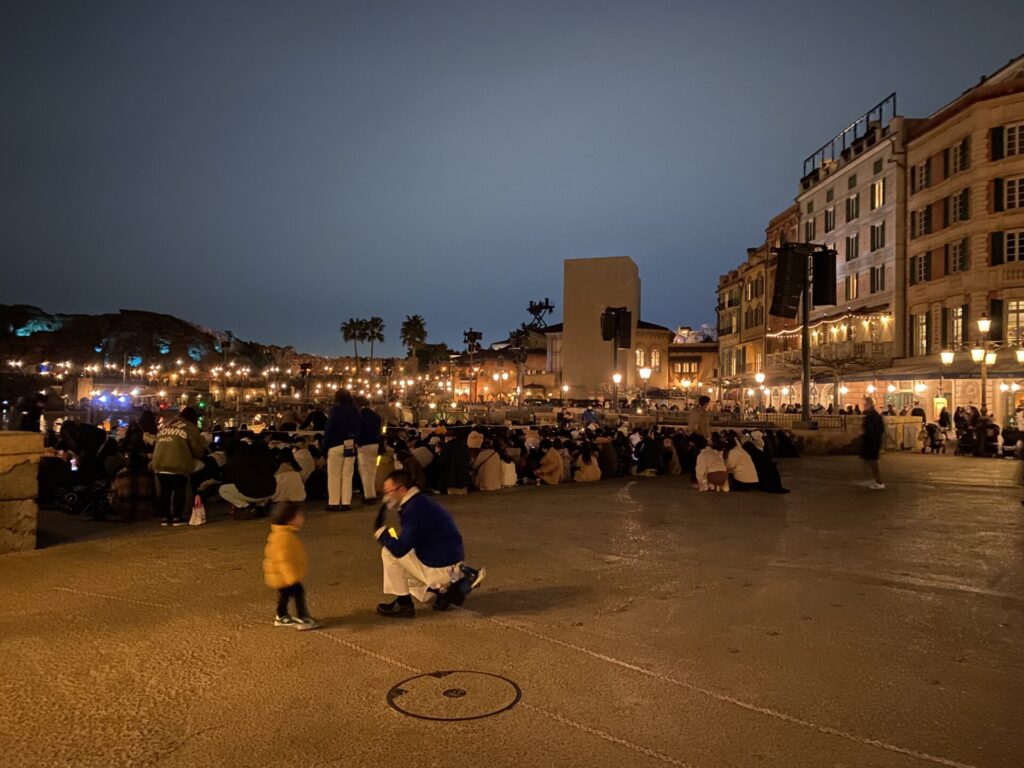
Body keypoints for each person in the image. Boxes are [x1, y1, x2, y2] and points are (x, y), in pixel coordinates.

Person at [373, 470, 486, 617]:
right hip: (451, 562)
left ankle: (404, 604)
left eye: (388, 492)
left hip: (440, 568)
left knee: (388, 553)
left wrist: (381, 533)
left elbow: (400, 550)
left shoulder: (414, 510)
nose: (386, 498)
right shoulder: (421, 501)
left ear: (402, 490)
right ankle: (443, 592)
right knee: (407, 558)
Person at [263, 503, 320, 630]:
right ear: (290, 519)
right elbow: (283, 560)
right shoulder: (284, 537)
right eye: (299, 516)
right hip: (285, 577)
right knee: (298, 593)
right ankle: (302, 616)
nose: (302, 518)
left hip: (281, 576)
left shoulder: (283, 534)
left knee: (285, 595)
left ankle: (282, 615)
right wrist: (292, 578)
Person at [152, 407, 207, 526]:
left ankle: (165, 518)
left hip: (159, 463)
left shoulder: (166, 425)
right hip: (178, 463)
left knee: (165, 490)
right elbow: (198, 450)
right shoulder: (190, 428)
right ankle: (177, 517)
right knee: (179, 489)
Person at [322, 390, 360, 511]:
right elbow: (359, 427)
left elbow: (329, 429)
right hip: (350, 444)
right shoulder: (355, 411)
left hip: (335, 445)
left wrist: (324, 448)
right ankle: (345, 502)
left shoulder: (335, 411)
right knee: (347, 475)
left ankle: (333, 502)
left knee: (334, 475)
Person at [219, 439, 277, 516]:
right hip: (269, 491)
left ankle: (247, 507)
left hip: (251, 492)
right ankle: (260, 506)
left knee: (223, 489)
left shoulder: (235, 459)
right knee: (263, 482)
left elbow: (228, 478)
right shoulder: (259, 455)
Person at [109, 450, 157, 520]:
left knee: (113, 494)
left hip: (126, 511)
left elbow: (114, 491)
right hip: (146, 511)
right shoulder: (148, 474)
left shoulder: (121, 474)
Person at [356, 397, 382, 506]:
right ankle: (372, 492)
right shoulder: (376, 416)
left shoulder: (359, 416)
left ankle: (369, 496)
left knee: (365, 471)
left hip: (364, 445)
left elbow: (358, 430)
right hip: (375, 444)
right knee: (372, 470)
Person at [858, 397, 885, 489]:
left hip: (872, 442)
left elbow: (873, 430)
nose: (864, 406)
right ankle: (875, 480)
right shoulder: (874, 415)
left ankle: (879, 482)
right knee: (870, 462)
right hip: (872, 442)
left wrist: (869, 438)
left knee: (873, 463)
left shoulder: (873, 416)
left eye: (865, 404)